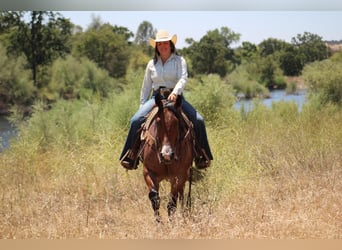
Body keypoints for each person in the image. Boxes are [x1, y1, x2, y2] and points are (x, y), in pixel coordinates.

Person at [119, 30, 213, 170]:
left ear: (170, 45)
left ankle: (202, 155)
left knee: (198, 120)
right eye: (160, 43)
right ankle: (130, 155)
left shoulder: (179, 61)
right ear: (156, 46)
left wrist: (175, 92)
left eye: (165, 43)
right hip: (157, 97)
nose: (163, 46)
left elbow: (183, 78)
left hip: (176, 99)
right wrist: (142, 105)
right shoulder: (151, 64)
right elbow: (146, 87)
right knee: (135, 120)